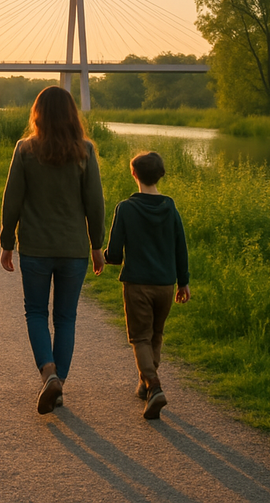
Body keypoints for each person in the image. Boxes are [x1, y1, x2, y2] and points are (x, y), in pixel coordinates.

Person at [0, 85, 105, 415]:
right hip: (74, 249)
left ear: (38, 115)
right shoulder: (85, 151)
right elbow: (95, 203)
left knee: (35, 313)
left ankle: (49, 374)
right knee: (66, 318)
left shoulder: (25, 149)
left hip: (35, 248)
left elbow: (12, 199)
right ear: (72, 115)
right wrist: (97, 246)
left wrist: (7, 243)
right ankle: (58, 384)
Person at [103, 151, 191, 420]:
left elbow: (115, 254)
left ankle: (154, 386)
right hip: (165, 284)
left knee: (140, 337)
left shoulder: (126, 208)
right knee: (156, 334)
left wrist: (103, 256)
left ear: (134, 174)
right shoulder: (170, 206)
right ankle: (145, 384)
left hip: (137, 284)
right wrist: (183, 282)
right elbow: (180, 246)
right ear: (160, 175)